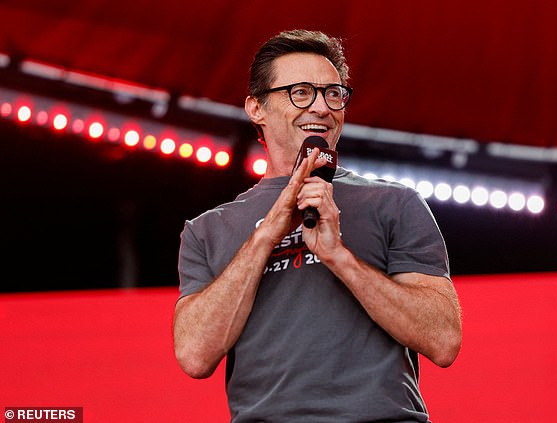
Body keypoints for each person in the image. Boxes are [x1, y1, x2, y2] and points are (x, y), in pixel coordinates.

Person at [173, 29, 462, 422]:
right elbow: (194, 355)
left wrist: (338, 256)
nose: (322, 108)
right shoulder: (208, 230)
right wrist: (267, 233)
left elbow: (443, 340)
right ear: (256, 108)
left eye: (333, 94)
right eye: (301, 93)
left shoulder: (394, 203)